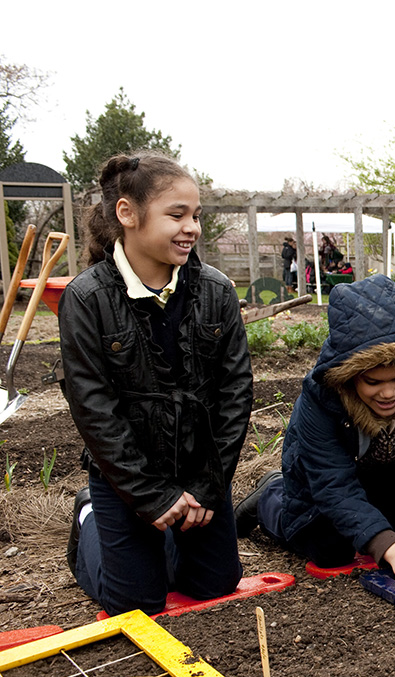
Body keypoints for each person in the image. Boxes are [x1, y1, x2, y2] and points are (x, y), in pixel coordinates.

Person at [60, 152, 252, 617]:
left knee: (214, 585)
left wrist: (208, 486)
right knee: (134, 603)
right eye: (177, 214)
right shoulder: (86, 299)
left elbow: (235, 392)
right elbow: (94, 409)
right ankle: (91, 519)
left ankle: (158, 542)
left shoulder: (216, 291)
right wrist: (150, 496)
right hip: (126, 477)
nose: (192, 228)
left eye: (197, 216)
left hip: (198, 469)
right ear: (127, 214)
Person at [234, 275, 395, 595]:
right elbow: (332, 483)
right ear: (351, 375)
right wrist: (392, 549)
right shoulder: (321, 395)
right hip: (330, 472)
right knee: (330, 550)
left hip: (388, 471)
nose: (388, 393)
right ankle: (271, 498)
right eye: (373, 382)